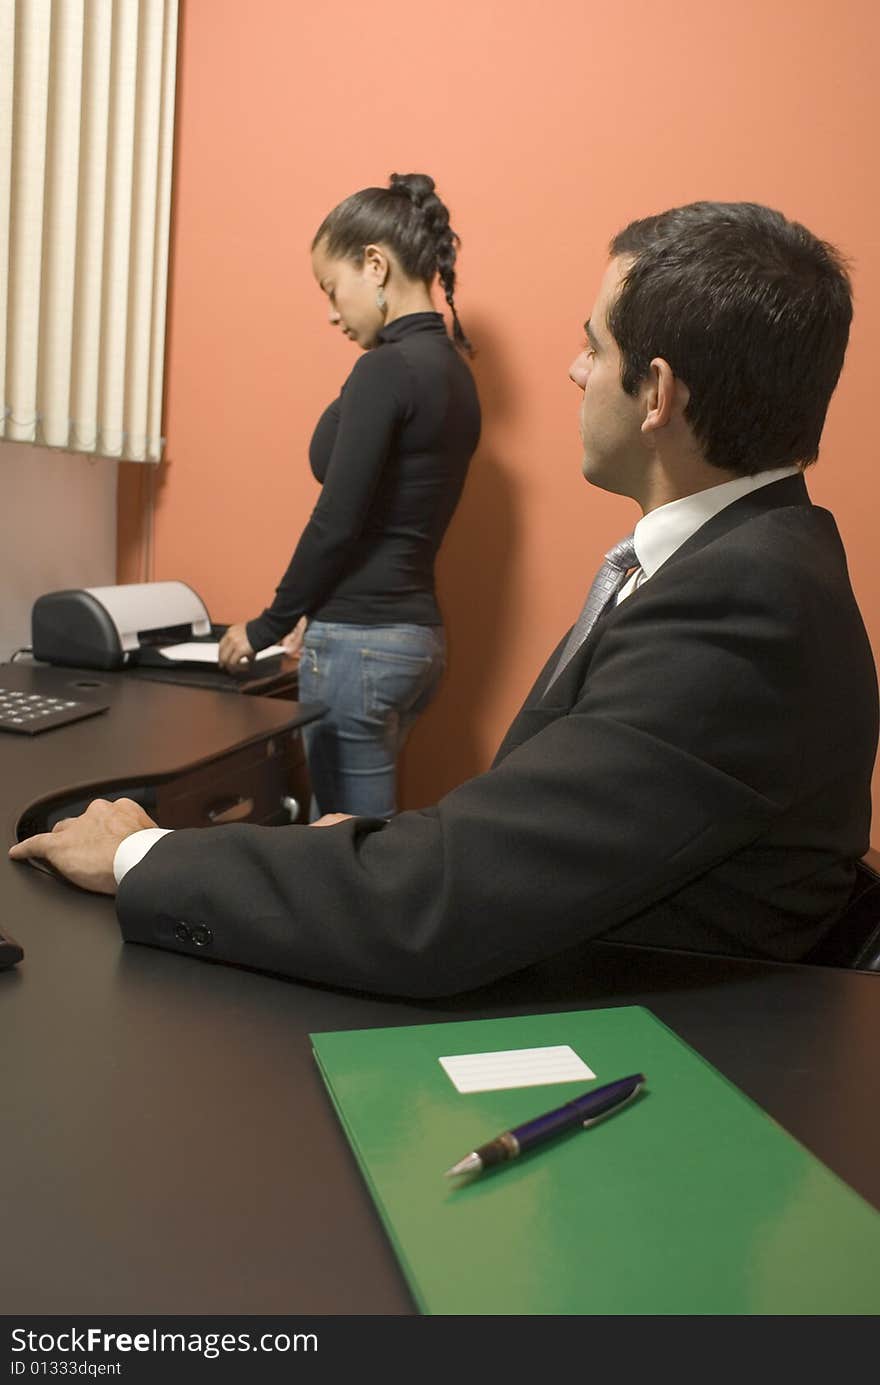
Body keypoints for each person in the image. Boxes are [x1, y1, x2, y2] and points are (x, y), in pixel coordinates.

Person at [11, 201, 878, 999]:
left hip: (642, 1040)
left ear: (655, 393)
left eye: (595, 346)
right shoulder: (746, 560)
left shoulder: (743, 605)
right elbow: (545, 829)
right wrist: (398, 850)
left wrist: (140, 852)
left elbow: (439, 904)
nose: (576, 371)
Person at [217, 172, 481, 819]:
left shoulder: (387, 369)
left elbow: (339, 517)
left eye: (332, 290)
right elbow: (385, 517)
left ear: (374, 264)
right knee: (367, 844)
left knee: (346, 856)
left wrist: (269, 623)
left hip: (360, 645)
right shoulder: (452, 371)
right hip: (415, 643)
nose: (333, 313)